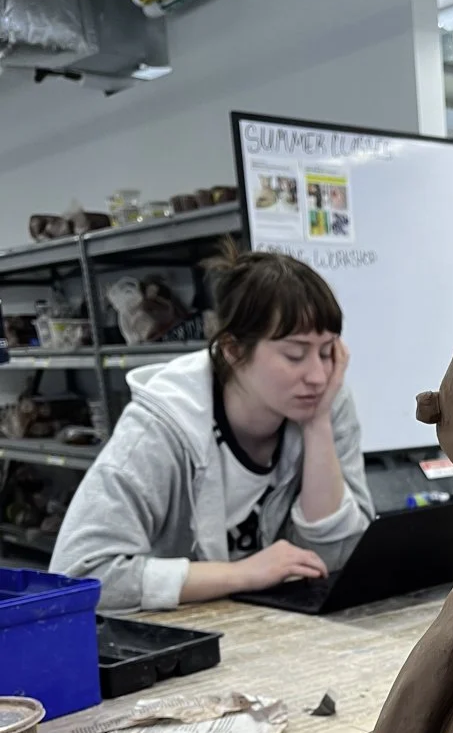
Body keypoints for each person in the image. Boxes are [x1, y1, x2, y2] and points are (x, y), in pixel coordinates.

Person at [51, 246, 373, 611]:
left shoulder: (325, 401)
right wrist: (242, 573)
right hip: (175, 633)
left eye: (327, 352)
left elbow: (336, 560)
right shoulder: (160, 427)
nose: (317, 376)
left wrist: (317, 425)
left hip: (271, 626)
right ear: (233, 350)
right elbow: (77, 576)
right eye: (294, 355)